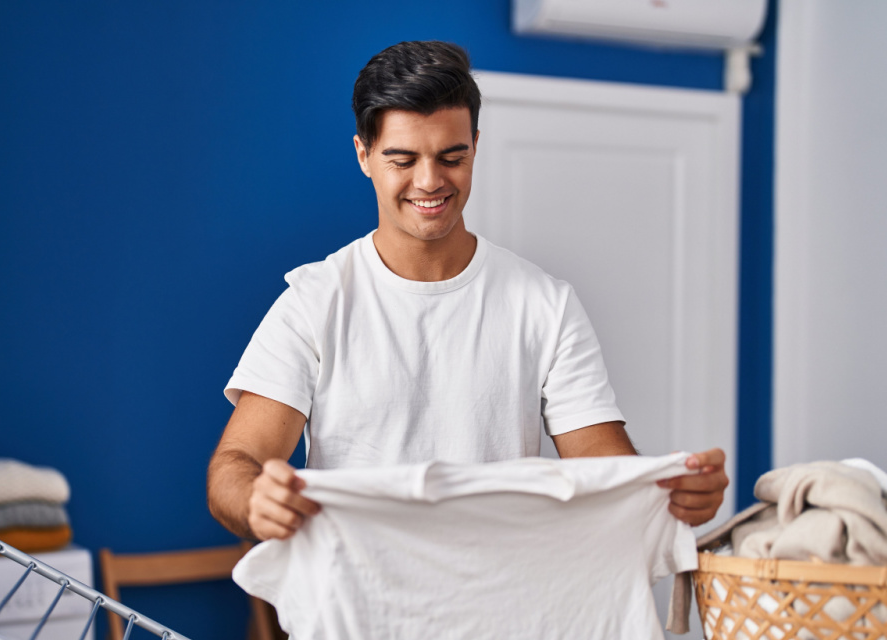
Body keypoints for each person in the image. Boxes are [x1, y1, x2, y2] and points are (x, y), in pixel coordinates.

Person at [207, 40, 728, 542]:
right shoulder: (314, 301)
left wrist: (665, 491)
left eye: (452, 157)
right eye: (403, 160)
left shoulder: (544, 304)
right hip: (349, 619)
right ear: (364, 155)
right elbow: (236, 464)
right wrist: (257, 500)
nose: (430, 181)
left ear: (476, 145)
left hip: (503, 618)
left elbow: (599, 457)